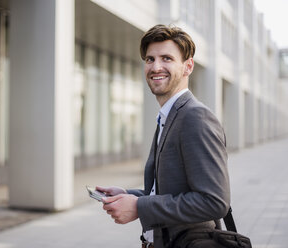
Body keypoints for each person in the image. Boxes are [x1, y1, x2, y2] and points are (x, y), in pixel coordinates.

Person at [97, 24, 230, 248]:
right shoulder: (168, 116)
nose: (156, 66)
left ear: (188, 66)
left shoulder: (195, 117)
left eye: (167, 58)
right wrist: (130, 196)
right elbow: (172, 190)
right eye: (150, 59)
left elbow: (214, 202)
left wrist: (140, 207)